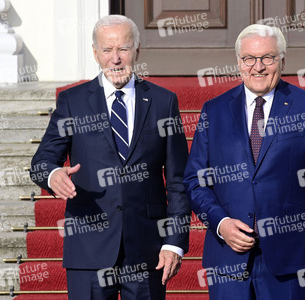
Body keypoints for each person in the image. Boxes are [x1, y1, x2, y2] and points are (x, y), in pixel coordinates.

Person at [30, 15, 190, 300]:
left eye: (123, 49)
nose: (115, 59)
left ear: (137, 51)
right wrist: (53, 175)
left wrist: (174, 243)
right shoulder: (73, 101)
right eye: (107, 50)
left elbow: (178, 179)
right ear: (95, 53)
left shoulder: (163, 101)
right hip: (88, 248)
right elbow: (42, 161)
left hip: (147, 250)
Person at [183, 24, 305, 299]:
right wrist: (221, 223)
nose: (257, 67)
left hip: (290, 262)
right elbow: (194, 180)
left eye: (268, 58)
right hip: (228, 261)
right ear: (238, 63)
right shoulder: (214, 110)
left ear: (282, 61)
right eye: (249, 58)